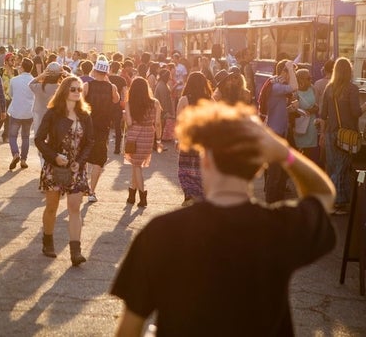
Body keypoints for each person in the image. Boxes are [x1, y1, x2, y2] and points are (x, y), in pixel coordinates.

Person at [110, 101, 336, 337]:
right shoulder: (279, 228)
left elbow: (128, 331)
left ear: (205, 159)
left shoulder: (160, 232)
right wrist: (283, 153)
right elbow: (323, 194)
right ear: (259, 167)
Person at [34, 75, 94, 266]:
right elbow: (39, 139)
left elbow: (90, 142)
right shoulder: (53, 113)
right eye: (73, 89)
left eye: (79, 89)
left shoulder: (85, 115)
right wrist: (54, 157)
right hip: (55, 166)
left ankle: (75, 252)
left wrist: (80, 161)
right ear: (64, 91)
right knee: (52, 207)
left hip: (77, 168)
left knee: (74, 209)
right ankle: (48, 241)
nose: (77, 92)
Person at [320, 57, 364, 214]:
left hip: (332, 134)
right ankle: (334, 202)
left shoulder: (329, 88)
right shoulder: (352, 89)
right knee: (341, 169)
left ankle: (338, 201)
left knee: (334, 168)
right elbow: (356, 112)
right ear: (349, 71)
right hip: (347, 135)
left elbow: (323, 114)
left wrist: (323, 135)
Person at [83, 56, 119, 203]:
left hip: (87, 126)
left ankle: (83, 185)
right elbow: (117, 100)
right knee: (99, 160)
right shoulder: (112, 87)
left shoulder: (87, 86)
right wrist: (108, 82)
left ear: (94, 70)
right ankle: (92, 191)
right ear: (106, 72)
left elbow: (79, 102)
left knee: (83, 156)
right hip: (103, 128)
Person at [262, 59, 298, 203]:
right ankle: (271, 206)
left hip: (279, 133)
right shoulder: (276, 87)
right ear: (284, 72)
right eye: (291, 72)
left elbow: (277, 110)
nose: (292, 75)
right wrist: (290, 67)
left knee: (279, 172)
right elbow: (295, 87)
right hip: (275, 135)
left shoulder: (277, 85)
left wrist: (290, 109)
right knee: (274, 173)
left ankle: (276, 203)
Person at [175, 71, 213, 206]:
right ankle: (201, 195)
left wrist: (177, 140)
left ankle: (189, 194)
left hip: (187, 139)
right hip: (204, 140)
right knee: (200, 168)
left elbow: (179, 121)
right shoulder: (210, 100)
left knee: (185, 168)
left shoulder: (184, 99)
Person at [124, 77, 162, 207]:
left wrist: (125, 116)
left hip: (134, 136)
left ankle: (142, 196)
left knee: (136, 165)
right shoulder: (155, 103)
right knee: (136, 165)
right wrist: (159, 139)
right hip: (148, 135)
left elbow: (129, 123)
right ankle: (131, 195)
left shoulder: (129, 103)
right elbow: (157, 123)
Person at [7, 57, 35, 170]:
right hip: (29, 112)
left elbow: (11, 94)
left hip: (16, 111)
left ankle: (15, 154)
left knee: (12, 135)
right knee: (26, 136)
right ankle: (24, 159)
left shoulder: (14, 80)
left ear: (22, 67)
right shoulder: (34, 80)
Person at [29, 62, 65, 139]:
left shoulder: (39, 86)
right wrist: (66, 73)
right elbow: (73, 83)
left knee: (39, 138)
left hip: (39, 115)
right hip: (55, 117)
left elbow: (30, 84)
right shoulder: (61, 88)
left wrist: (41, 75)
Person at [293, 68, 319, 164]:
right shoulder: (294, 92)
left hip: (311, 125)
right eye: (308, 78)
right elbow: (292, 110)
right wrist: (305, 111)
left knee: (310, 153)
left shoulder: (312, 88)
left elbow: (317, 105)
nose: (310, 80)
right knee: (298, 153)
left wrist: (314, 109)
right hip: (300, 124)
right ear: (300, 79)